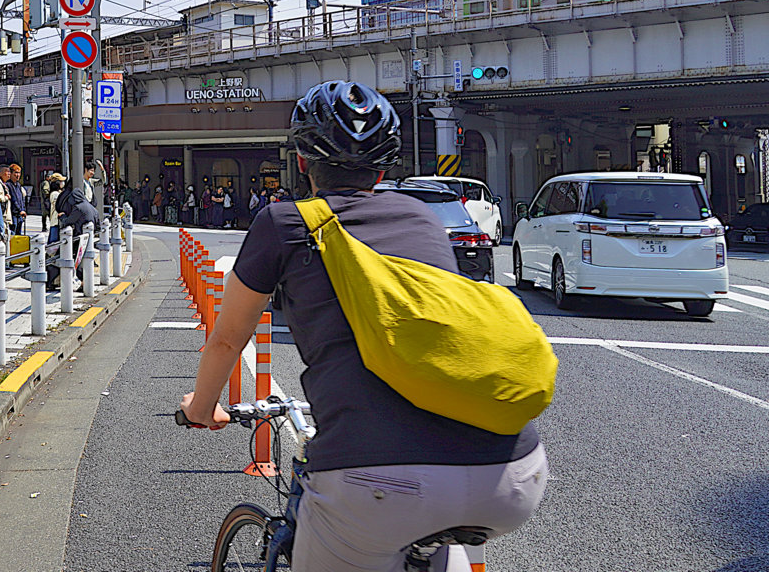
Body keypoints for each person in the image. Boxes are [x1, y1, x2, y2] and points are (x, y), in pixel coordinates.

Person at [178, 80, 548, 571]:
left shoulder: (283, 223)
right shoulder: (421, 219)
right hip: (512, 472)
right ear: (382, 168)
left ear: (304, 161)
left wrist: (203, 407)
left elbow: (228, 337)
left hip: (377, 480)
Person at [48, 182, 98, 292]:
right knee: (80, 261)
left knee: (64, 257)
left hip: (78, 238)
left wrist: (63, 217)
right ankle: (85, 283)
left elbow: (68, 222)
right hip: (88, 239)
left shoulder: (79, 208)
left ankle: (50, 281)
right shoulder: (91, 207)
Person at [6, 163, 27, 235]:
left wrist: (23, 209)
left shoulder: (18, 185)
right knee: (13, 233)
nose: (18, 175)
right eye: (16, 173)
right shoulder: (8, 184)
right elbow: (13, 199)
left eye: (19, 173)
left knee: (19, 234)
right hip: (13, 214)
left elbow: (21, 198)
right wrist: (20, 210)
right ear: (11, 173)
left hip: (20, 215)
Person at [0, 165, 13, 235]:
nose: (9, 174)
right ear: (0, 173)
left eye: (9, 172)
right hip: (0, 216)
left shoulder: (3, 184)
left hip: (3, 216)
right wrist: (6, 197)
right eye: (7, 172)